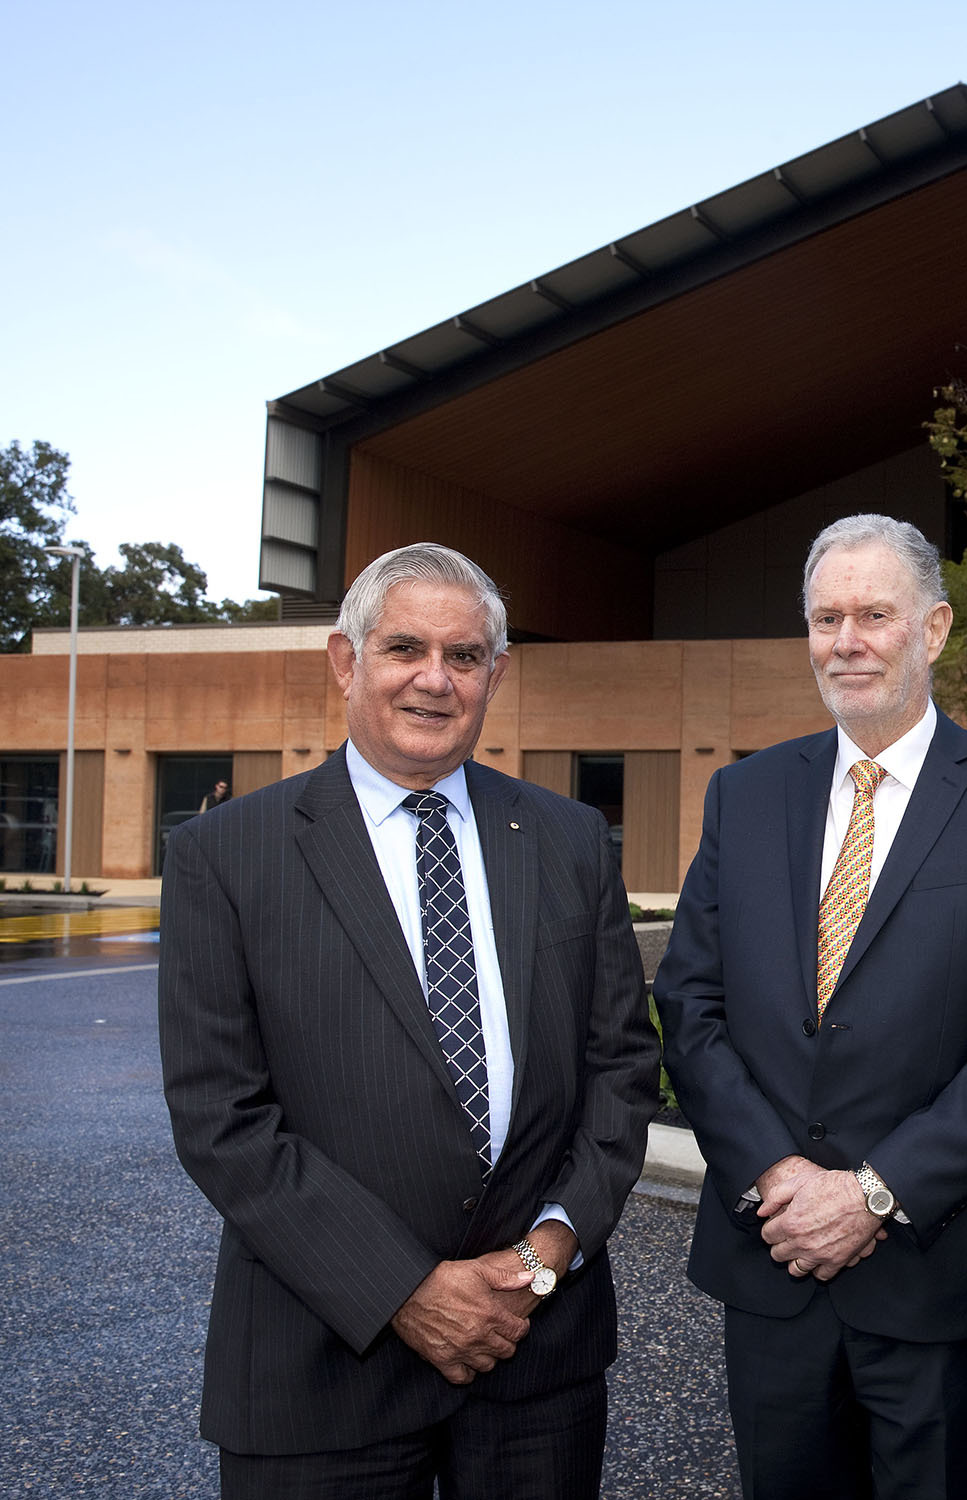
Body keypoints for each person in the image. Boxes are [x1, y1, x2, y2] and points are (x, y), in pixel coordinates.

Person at [158, 542, 659, 1498]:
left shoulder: (570, 840)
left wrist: (548, 1250)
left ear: (495, 675)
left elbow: (622, 1071)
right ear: (347, 662)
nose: (436, 679)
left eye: (464, 657)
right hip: (319, 1369)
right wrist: (404, 1293)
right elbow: (222, 1118)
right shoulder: (229, 856)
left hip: (535, 1362)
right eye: (405, 649)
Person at [656, 513, 967, 1499]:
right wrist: (777, 1175)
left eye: (872, 615)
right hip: (771, 1269)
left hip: (935, 1281)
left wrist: (871, 1193)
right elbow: (689, 1002)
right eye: (823, 618)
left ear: (931, 631)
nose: (844, 641)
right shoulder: (743, 794)